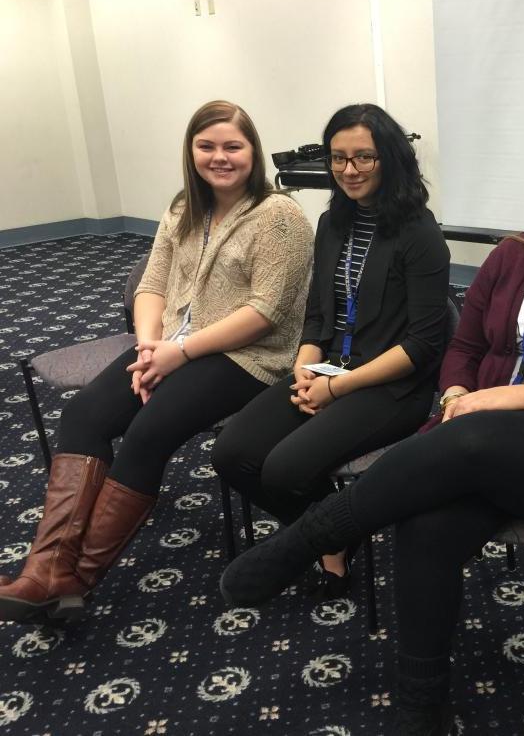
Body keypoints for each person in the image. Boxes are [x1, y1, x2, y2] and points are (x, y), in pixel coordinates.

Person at [218, 123, 524, 734]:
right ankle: (422, 706)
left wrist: (513, 397)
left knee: (469, 439)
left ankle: (311, 536)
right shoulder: (515, 255)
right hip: (469, 439)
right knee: (425, 520)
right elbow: (462, 345)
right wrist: (461, 391)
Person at [0, 100, 314, 623]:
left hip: (250, 357)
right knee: (83, 417)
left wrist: (178, 352)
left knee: (148, 432)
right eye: (206, 146)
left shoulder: (279, 216)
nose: (220, 157)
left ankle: (78, 578)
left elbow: (266, 312)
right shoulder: (182, 208)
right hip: (169, 347)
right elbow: (152, 285)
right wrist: (149, 348)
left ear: (252, 152)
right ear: (190, 152)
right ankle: (47, 569)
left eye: (232, 146)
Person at [212, 103, 450, 596]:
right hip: (325, 367)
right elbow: (319, 313)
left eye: (364, 157)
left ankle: (327, 533)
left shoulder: (421, 235)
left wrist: (337, 391)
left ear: (391, 159)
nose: (349, 170)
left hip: (390, 385)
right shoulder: (334, 223)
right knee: (231, 453)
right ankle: (333, 537)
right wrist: (304, 367)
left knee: (283, 469)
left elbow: (425, 344)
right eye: (339, 158)